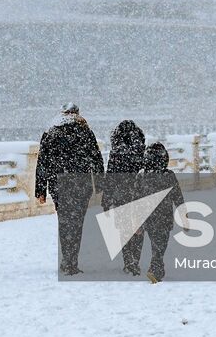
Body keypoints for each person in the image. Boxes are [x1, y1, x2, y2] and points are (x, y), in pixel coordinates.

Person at [35, 102, 104, 275]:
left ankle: (67, 260)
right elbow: (96, 158)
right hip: (80, 184)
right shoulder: (85, 131)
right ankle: (72, 261)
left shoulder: (50, 132)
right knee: (76, 223)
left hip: (59, 184)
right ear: (77, 113)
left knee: (64, 222)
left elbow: (43, 162)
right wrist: (100, 182)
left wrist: (41, 189)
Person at [102, 119, 147, 275]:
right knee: (139, 228)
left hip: (121, 194)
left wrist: (106, 199)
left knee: (124, 229)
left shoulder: (116, 152)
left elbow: (110, 176)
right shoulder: (142, 151)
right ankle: (136, 258)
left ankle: (128, 261)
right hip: (140, 194)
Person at [139, 141, 186, 283]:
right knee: (160, 245)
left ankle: (158, 267)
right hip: (164, 218)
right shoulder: (168, 175)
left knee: (156, 243)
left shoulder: (142, 176)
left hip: (147, 217)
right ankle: (155, 268)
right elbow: (178, 197)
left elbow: (135, 199)